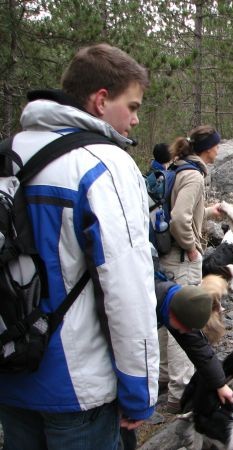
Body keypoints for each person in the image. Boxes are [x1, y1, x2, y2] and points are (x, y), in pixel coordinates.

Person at [0, 44, 159, 450]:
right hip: (78, 389)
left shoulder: (8, 154)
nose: (136, 119)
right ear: (101, 100)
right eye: (132, 105)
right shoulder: (104, 163)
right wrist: (139, 391)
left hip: (10, 371)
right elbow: (127, 288)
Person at [120, 269, 233, 450]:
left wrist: (220, 384)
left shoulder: (179, 305)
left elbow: (198, 347)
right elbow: (130, 359)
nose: (185, 333)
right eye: (184, 328)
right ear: (174, 314)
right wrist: (136, 405)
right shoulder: (139, 306)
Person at [159, 125, 224, 412]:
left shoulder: (177, 168)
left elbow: (182, 210)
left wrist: (209, 212)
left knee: (166, 316)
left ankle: (163, 377)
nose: (218, 150)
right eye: (215, 145)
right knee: (184, 321)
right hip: (181, 258)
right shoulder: (194, 176)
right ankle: (181, 390)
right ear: (206, 147)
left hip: (165, 257)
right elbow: (178, 218)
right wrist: (191, 247)